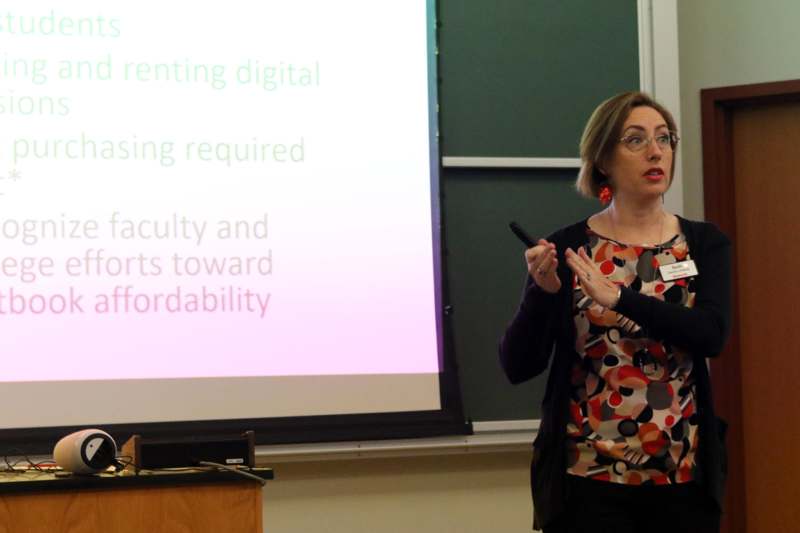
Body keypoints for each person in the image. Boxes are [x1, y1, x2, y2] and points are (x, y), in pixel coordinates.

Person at [499, 91, 731, 533]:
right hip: (587, 479)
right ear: (603, 158)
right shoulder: (569, 249)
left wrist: (622, 299)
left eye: (664, 139)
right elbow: (517, 365)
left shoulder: (704, 243)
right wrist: (543, 295)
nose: (656, 151)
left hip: (682, 476)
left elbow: (711, 335)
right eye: (635, 140)